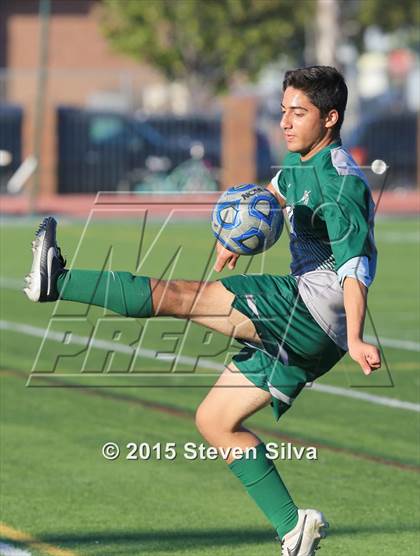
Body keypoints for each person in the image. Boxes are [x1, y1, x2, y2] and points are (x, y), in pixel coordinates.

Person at [24, 65, 381, 556]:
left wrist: (359, 336)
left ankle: (56, 280)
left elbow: (354, 270)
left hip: (313, 311)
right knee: (216, 420)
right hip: (315, 331)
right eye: (282, 111)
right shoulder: (302, 161)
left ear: (330, 118)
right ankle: (294, 528)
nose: (285, 122)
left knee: (180, 296)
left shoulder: (341, 184)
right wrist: (241, 229)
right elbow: (276, 194)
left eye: (299, 113)